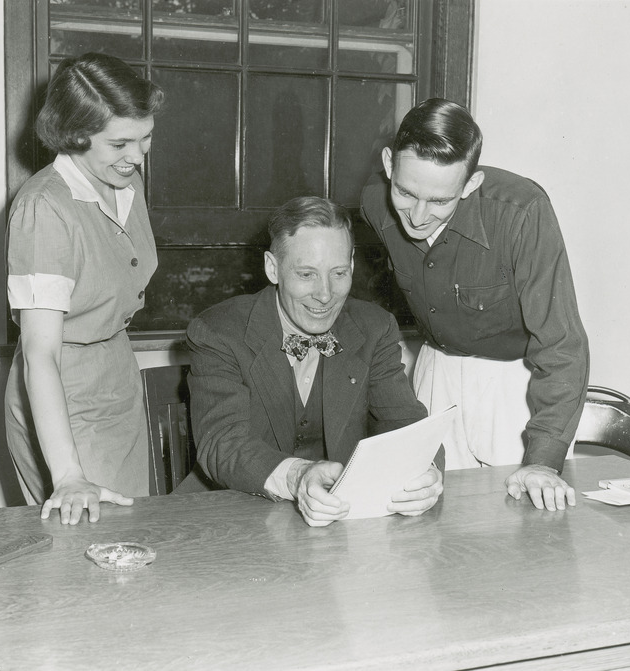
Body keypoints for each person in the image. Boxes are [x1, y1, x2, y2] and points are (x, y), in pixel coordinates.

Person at [360, 98, 589, 512]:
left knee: (521, 529)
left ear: (470, 184)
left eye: (440, 201)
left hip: (514, 385)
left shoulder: (522, 212)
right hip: (434, 372)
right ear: (389, 164)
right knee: (422, 524)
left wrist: (543, 459)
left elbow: (561, 344)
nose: (417, 216)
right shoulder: (373, 204)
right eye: (406, 193)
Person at [183, 196, 444, 526]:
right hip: (229, 513)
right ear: (272, 268)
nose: (325, 294)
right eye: (306, 274)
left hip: (338, 520)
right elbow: (222, 444)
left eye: (339, 273)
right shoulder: (219, 331)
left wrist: (425, 473)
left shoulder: (375, 327)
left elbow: (406, 423)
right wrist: (298, 476)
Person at [4, 53, 165, 525]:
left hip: (116, 376)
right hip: (62, 393)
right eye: (120, 143)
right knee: (91, 546)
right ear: (76, 135)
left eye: (146, 137)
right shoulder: (43, 210)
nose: (137, 157)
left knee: (132, 533)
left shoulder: (123, 181)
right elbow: (39, 354)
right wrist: (70, 474)